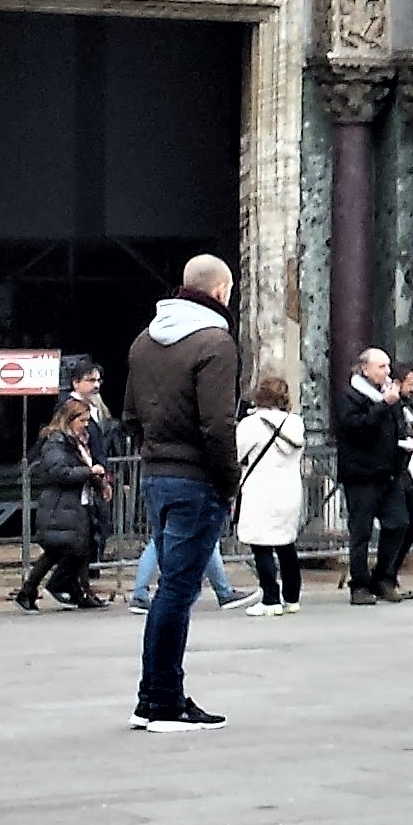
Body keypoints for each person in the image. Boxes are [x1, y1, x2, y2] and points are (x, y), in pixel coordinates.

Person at [124, 254, 243, 731]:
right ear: (219, 293)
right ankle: (167, 703)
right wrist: (228, 479)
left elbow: (130, 414)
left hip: (157, 473)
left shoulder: (144, 340)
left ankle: (150, 697)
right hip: (197, 477)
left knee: (170, 587)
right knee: (177, 590)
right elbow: (218, 422)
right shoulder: (216, 342)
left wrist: (155, 453)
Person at [333, 347, 413, 604]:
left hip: (389, 474)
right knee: (361, 531)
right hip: (361, 475)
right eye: (381, 367)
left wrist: (405, 440)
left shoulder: (387, 396)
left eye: (388, 367)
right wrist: (384, 406)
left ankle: (384, 576)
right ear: (365, 369)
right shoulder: (351, 396)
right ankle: (359, 584)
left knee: (399, 523)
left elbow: (395, 428)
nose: (387, 372)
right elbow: (356, 428)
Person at [16, 395, 110, 611]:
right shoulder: (56, 442)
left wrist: (99, 483)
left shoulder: (76, 442)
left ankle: (77, 591)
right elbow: (59, 472)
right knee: (67, 549)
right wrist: (89, 471)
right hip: (62, 504)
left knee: (79, 549)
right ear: (69, 420)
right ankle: (56, 588)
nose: (86, 425)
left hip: (78, 502)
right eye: (82, 420)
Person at [234, 375, 310, 616]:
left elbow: (238, 454)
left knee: (262, 545)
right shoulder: (295, 423)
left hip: (260, 489)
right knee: (286, 544)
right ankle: (292, 597)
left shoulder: (251, 424)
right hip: (288, 489)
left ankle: (270, 598)